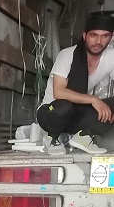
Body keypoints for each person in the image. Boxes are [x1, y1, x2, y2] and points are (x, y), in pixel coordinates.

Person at [37, 11, 114, 154]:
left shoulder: (111, 56)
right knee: (64, 106)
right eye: (93, 35)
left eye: (105, 36)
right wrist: (93, 99)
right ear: (84, 36)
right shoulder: (67, 55)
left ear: (112, 37)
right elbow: (59, 92)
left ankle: (84, 136)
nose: (98, 41)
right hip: (51, 113)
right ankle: (51, 138)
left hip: (78, 115)